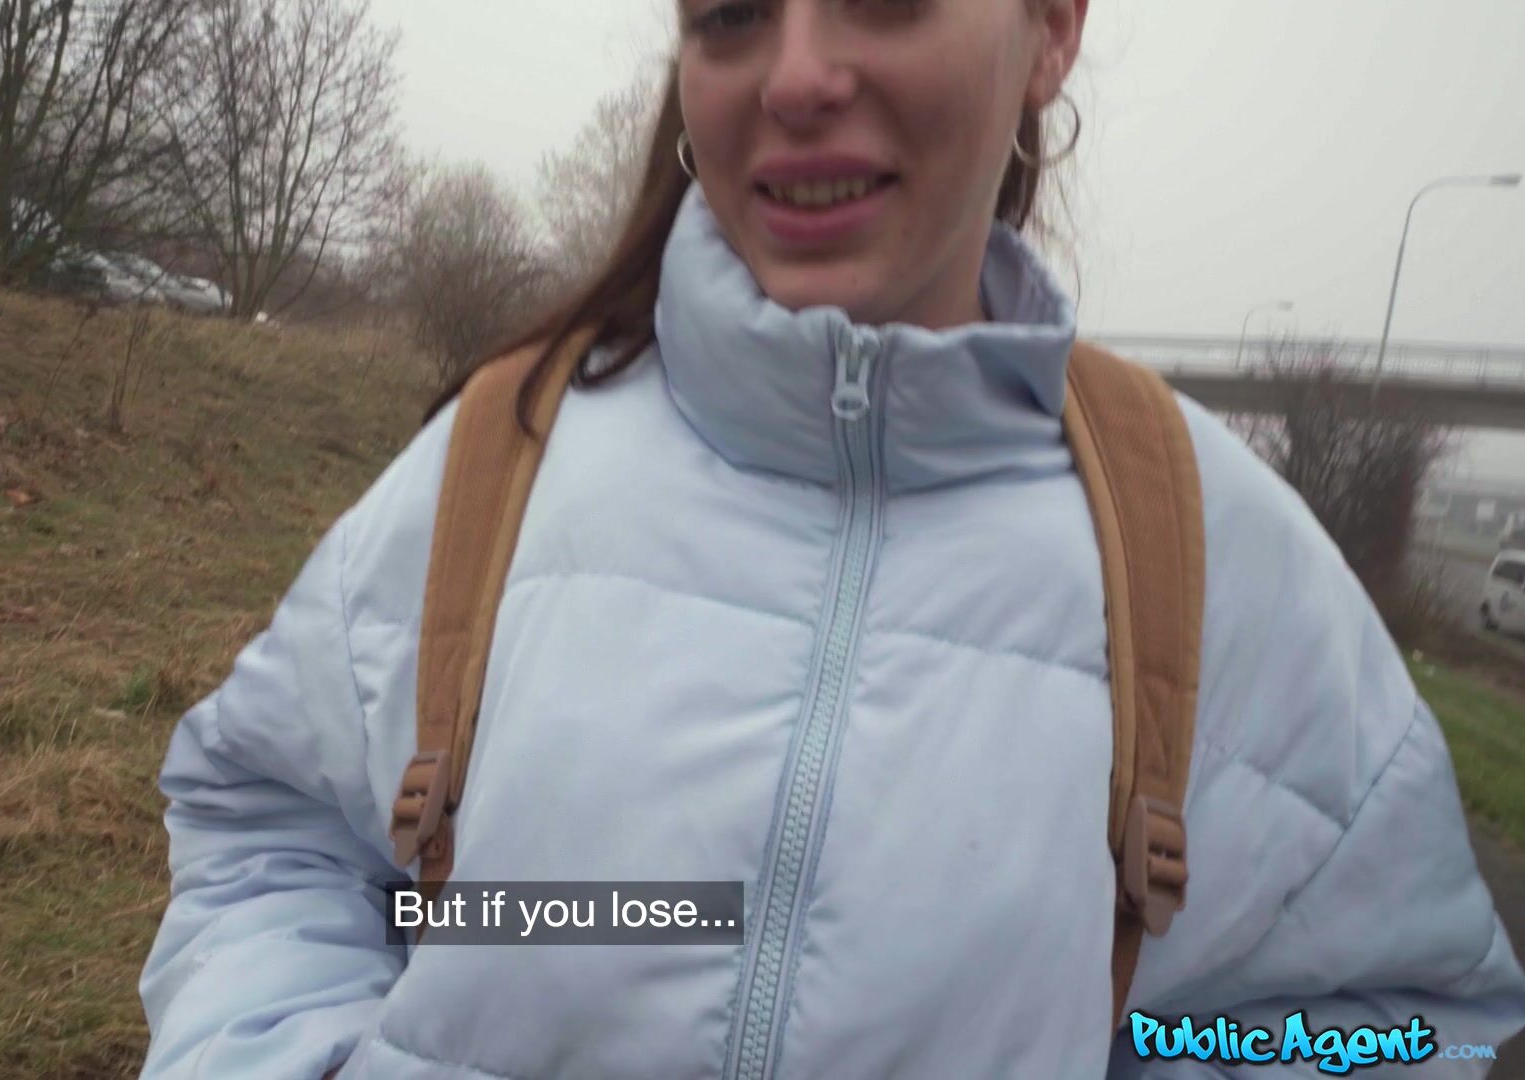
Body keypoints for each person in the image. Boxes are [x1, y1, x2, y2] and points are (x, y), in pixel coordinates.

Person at [136, 1, 1525, 1076]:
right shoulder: (498, 461)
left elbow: (1389, 1015)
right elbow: (283, 836)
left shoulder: (1221, 556)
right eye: (732, 12)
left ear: (1049, 33)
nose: (796, 77)